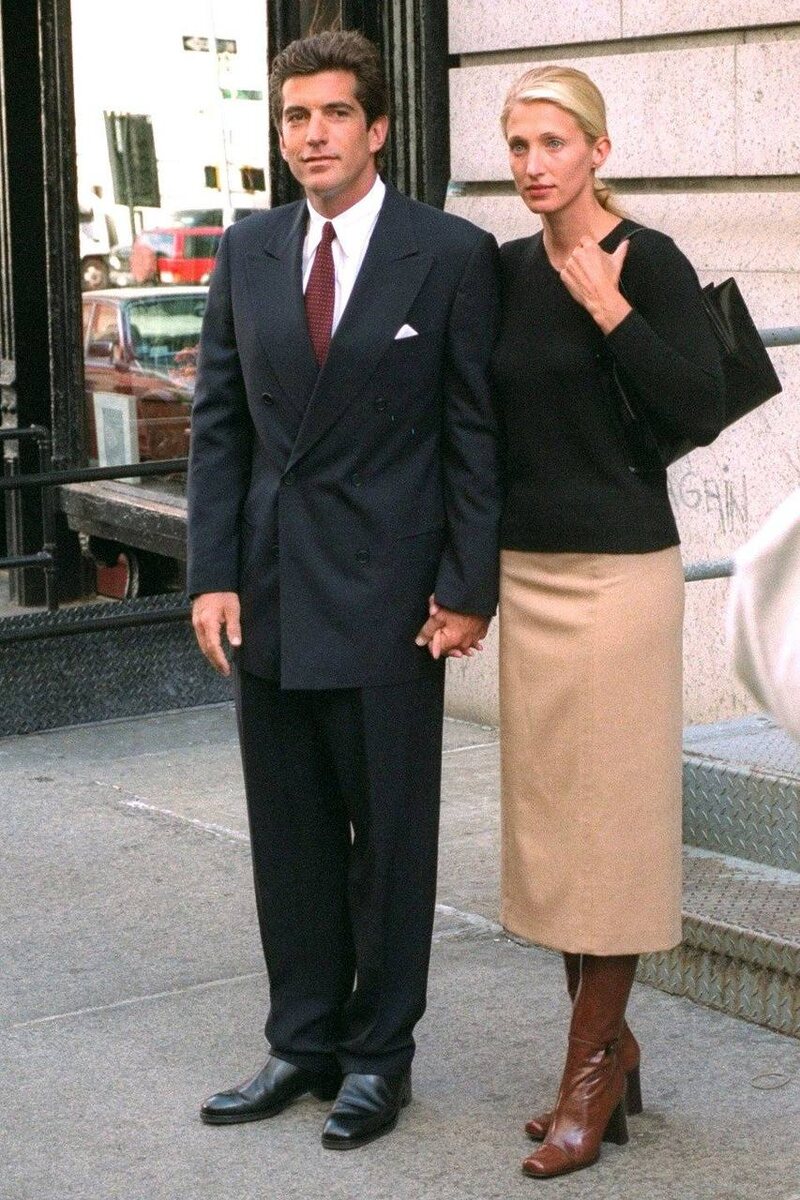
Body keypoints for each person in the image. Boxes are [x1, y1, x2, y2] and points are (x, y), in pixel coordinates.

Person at [187, 30, 500, 1151]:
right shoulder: (248, 251)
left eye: (332, 114)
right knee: (290, 833)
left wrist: (467, 587)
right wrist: (212, 575)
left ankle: (378, 1058)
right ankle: (301, 1041)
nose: (312, 135)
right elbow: (220, 426)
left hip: (392, 597)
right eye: (294, 117)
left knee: (391, 839)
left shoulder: (450, 253)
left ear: (376, 129)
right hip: (271, 590)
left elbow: (474, 436)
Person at [493, 65, 725, 1179]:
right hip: (528, 574)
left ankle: (587, 1077)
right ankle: (612, 1051)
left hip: (623, 577)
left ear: (598, 149)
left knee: (614, 833)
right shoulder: (499, 273)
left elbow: (697, 407)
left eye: (553, 142)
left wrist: (610, 308)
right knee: (555, 833)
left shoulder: (651, 259)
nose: (533, 164)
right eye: (517, 145)